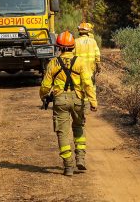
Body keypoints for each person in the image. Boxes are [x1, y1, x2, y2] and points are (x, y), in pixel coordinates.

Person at [40, 31, 97, 176]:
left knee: (62, 133)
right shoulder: (80, 62)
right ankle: (81, 159)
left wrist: (43, 96)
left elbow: (46, 86)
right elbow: (87, 83)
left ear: (59, 47)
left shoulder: (53, 63)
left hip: (60, 101)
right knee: (79, 127)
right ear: (73, 47)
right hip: (78, 99)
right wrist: (93, 101)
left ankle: (68, 166)